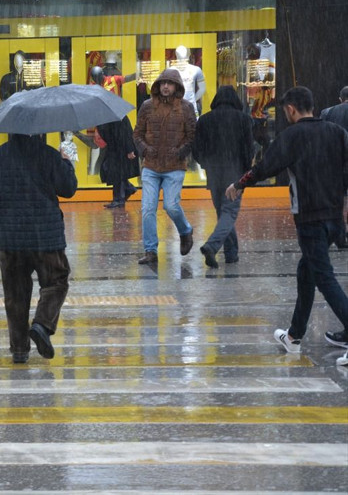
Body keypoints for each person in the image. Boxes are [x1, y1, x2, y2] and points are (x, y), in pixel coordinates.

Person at [225, 86, 348, 364]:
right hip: (333, 218)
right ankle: (293, 336)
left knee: (324, 277)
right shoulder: (337, 132)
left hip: (310, 217)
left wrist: (238, 184)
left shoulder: (292, 136)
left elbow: (265, 168)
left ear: (291, 109)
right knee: (307, 271)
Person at [0, 133, 78, 363]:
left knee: (15, 294)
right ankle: (42, 324)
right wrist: (65, 161)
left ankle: (20, 350)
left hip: (10, 237)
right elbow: (69, 189)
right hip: (46, 236)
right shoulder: (50, 155)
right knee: (56, 281)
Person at [133, 67, 196, 265]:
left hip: (175, 166)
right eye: (163, 83)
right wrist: (145, 150)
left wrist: (179, 152)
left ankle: (185, 231)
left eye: (169, 83)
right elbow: (137, 133)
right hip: (151, 166)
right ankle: (150, 250)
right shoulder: (147, 106)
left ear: (176, 86)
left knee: (171, 205)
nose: (166, 86)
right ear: (158, 85)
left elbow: (192, 136)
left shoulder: (186, 107)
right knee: (147, 209)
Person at [192, 86, 254, 267]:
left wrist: (206, 164)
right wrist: (245, 171)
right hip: (235, 172)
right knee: (229, 212)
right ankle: (212, 246)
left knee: (223, 213)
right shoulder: (244, 119)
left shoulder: (204, 120)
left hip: (214, 173)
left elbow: (196, 149)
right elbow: (249, 149)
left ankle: (231, 254)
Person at [320, 86, 348, 249]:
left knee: (339, 198)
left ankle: (340, 232)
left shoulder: (327, 113)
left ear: (340, 98)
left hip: (334, 163)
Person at [98, 116, 139, 208]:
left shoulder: (121, 117)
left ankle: (119, 198)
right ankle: (127, 189)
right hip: (113, 149)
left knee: (117, 174)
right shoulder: (107, 118)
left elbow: (127, 133)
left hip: (121, 150)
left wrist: (130, 150)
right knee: (114, 172)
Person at [172, 45, 206, 117]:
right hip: (175, 109)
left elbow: (203, 88)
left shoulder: (196, 70)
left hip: (192, 109)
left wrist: (193, 99)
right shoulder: (171, 70)